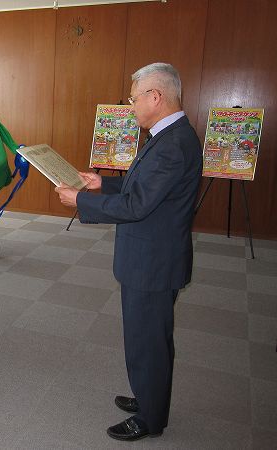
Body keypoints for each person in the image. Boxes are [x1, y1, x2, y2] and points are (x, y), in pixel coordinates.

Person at [55, 63, 202, 441]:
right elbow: (144, 188)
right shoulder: (170, 135)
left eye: (134, 98)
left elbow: (138, 206)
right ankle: (150, 397)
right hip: (154, 257)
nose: (132, 105)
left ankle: (151, 419)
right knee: (149, 337)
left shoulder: (172, 144)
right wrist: (103, 183)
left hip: (152, 264)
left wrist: (81, 201)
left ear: (156, 97)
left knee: (147, 341)